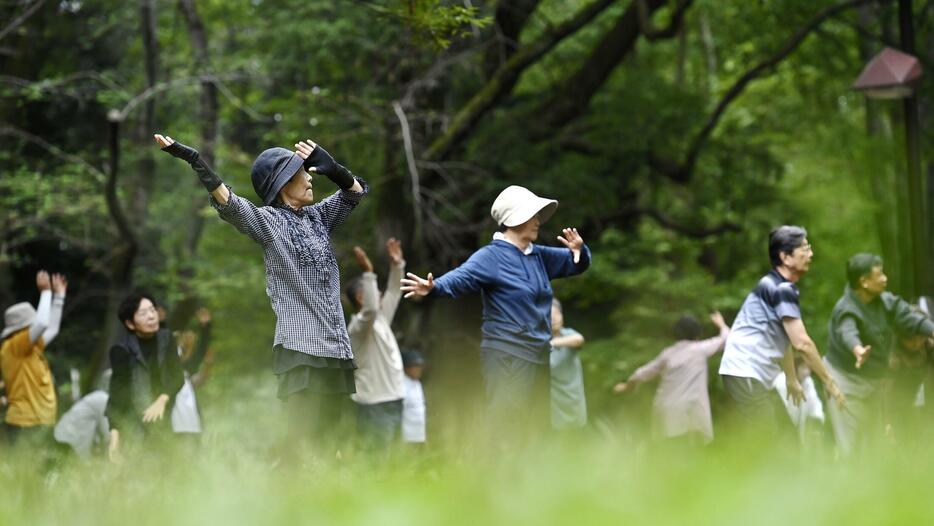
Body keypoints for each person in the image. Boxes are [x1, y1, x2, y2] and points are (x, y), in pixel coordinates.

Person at [154, 133, 367, 455]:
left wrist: (334, 168)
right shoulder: (269, 223)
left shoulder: (319, 219)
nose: (310, 177)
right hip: (301, 348)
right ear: (283, 185)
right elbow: (230, 204)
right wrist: (196, 161)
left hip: (336, 348)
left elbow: (354, 193)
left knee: (333, 439)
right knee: (303, 438)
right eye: (301, 173)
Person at [401, 185, 591, 437]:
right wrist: (433, 287)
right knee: (508, 426)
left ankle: (532, 476)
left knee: (537, 428)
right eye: (532, 215)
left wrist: (580, 250)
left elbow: (575, 263)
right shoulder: (491, 257)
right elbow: (461, 277)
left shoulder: (538, 256)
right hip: (507, 355)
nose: (538, 221)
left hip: (539, 354)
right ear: (515, 219)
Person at [718, 226, 844, 431]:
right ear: (785, 257)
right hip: (745, 371)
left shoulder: (778, 286)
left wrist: (792, 378)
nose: (810, 254)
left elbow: (784, 339)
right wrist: (829, 381)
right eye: (804, 248)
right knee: (768, 440)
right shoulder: (780, 289)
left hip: (751, 374)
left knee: (786, 436)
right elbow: (802, 343)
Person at [824, 253, 934, 456]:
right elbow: (847, 331)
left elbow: (911, 319)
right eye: (879, 274)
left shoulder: (885, 301)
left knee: (874, 445)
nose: (885, 278)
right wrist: (857, 349)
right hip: (845, 381)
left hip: (874, 381)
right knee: (851, 446)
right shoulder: (845, 308)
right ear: (864, 282)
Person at [614, 312, 729, 444]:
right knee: (689, 456)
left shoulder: (668, 354)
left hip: (664, 411)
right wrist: (721, 324)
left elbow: (643, 373)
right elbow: (727, 338)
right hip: (688, 415)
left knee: (668, 455)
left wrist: (626, 386)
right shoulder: (700, 350)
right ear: (697, 334)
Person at [346, 239, 406, 450]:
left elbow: (394, 292)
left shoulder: (380, 320)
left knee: (392, 463)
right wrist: (368, 273)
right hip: (374, 405)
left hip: (394, 400)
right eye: (374, 290)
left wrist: (397, 266)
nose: (380, 293)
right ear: (362, 298)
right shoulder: (358, 329)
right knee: (376, 463)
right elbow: (370, 310)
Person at [106, 293, 185, 447]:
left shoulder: (166, 339)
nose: (151, 316)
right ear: (130, 324)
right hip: (134, 419)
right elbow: (117, 394)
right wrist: (114, 433)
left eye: (152, 310)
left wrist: (162, 399)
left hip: (163, 416)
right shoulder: (121, 350)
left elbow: (178, 376)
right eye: (143, 313)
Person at [1, 271, 67, 445]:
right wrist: (46, 292)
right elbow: (43, 323)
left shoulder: (32, 348)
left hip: (39, 422)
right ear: (22, 329)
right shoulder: (15, 346)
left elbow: (52, 329)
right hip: (25, 423)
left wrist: (59, 297)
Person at [549, 298, 587, 430]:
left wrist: (553, 343)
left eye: (557, 314)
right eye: (550, 315)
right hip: (554, 408)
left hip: (574, 402)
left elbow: (579, 339)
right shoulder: (539, 340)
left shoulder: (568, 334)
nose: (554, 319)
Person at [53, 390, 117, 460]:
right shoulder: (103, 400)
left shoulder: (101, 398)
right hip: (68, 436)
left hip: (62, 432)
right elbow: (109, 434)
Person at [400, 350, 427, 445]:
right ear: (405, 367)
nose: (418, 370)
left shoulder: (417, 383)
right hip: (406, 436)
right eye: (415, 366)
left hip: (419, 434)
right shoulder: (400, 384)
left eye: (420, 366)